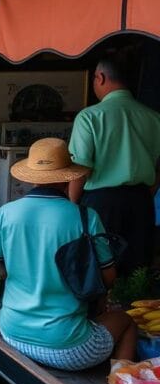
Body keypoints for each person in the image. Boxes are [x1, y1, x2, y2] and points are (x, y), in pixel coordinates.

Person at [0, 138, 136, 370]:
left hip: (12, 334)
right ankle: (123, 380)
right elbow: (108, 277)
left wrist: (24, 272)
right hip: (69, 350)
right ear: (68, 177)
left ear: (31, 177)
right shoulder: (85, 217)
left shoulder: (7, 212)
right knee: (127, 321)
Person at [68, 52, 160, 275]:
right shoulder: (153, 117)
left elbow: (81, 169)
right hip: (141, 202)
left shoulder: (89, 117)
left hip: (101, 204)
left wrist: (72, 204)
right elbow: (158, 167)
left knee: (99, 270)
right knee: (136, 273)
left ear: (100, 77)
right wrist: (145, 193)